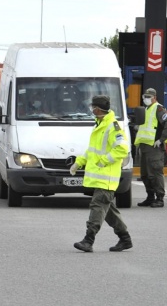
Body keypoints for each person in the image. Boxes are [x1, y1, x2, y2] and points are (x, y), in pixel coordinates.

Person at [70, 95, 132, 252]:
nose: (91, 110)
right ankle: (125, 239)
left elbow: (122, 149)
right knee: (109, 211)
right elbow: (92, 150)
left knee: (97, 206)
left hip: (107, 177)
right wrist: (79, 162)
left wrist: (104, 161)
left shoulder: (112, 126)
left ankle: (88, 240)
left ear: (97, 109)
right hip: (99, 178)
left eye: (93, 107)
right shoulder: (99, 125)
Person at [135, 88, 167, 208]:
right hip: (145, 146)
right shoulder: (147, 109)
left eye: (148, 97)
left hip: (154, 147)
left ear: (154, 98)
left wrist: (161, 139)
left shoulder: (158, 109)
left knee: (155, 173)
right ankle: (150, 197)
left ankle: (159, 198)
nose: (146, 99)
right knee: (145, 174)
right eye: (144, 97)